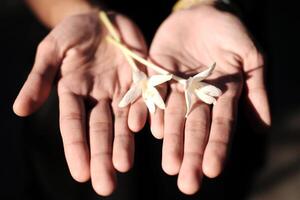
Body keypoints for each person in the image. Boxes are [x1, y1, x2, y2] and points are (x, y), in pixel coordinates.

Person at [13, 0, 271, 197]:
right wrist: (72, 11)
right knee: (77, 178)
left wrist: (208, 3)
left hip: (205, 39)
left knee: (210, 175)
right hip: (88, 64)